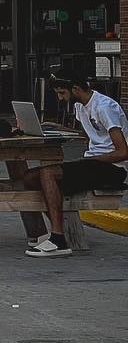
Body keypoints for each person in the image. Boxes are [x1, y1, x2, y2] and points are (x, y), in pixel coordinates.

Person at [25, 73, 128, 258]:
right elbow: (87, 134)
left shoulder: (105, 107)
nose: (60, 98)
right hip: (93, 163)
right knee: (30, 177)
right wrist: (54, 127)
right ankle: (58, 229)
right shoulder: (81, 106)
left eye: (62, 93)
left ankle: (58, 240)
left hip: (114, 168)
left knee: (48, 174)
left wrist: (92, 160)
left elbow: (123, 151)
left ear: (75, 89)